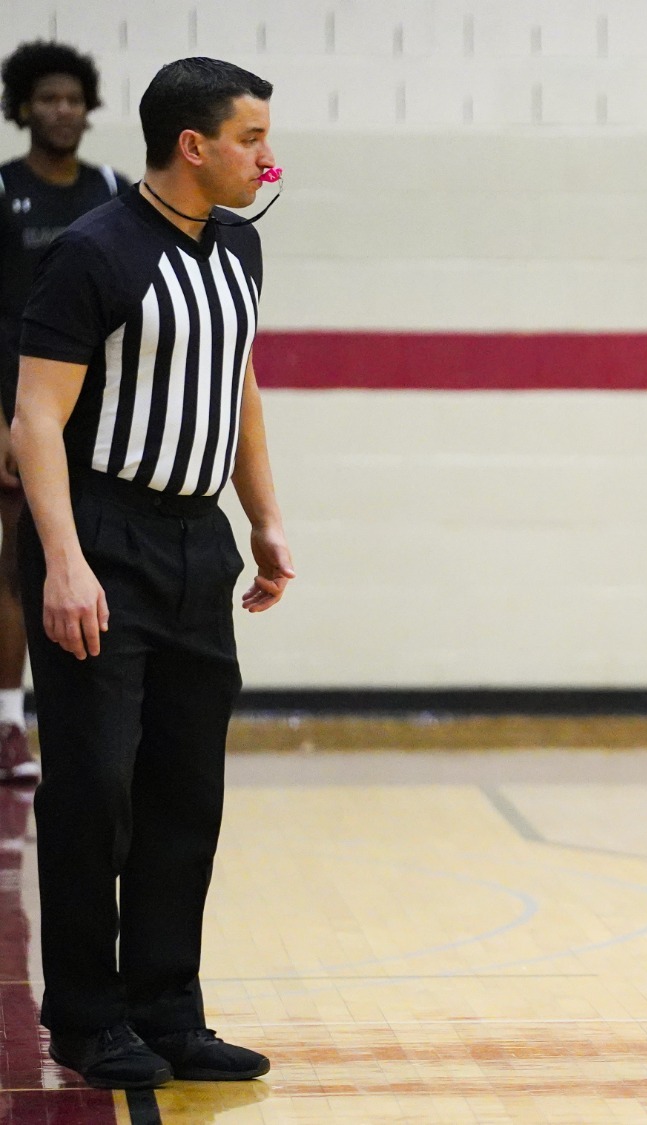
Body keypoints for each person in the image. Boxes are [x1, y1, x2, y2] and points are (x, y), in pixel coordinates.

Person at [14, 56, 292, 1090]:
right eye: (252, 138)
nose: (268, 157)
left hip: (193, 540)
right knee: (96, 789)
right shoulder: (96, 251)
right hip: (98, 534)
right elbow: (36, 415)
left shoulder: (240, 248)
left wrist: (263, 520)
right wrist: (63, 563)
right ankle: (88, 1019)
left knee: (185, 791)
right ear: (194, 145)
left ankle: (168, 1009)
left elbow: (240, 385)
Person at [0, 41, 128, 783]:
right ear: (23, 107)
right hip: (20, 409)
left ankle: (91, 722)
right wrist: (8, 420)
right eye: (46, 98)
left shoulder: (111, 188)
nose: (61, 110)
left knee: (94, 558)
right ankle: (10, 724)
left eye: (72, 98)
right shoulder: (5, 191)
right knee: (21, 565)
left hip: (95, 417)